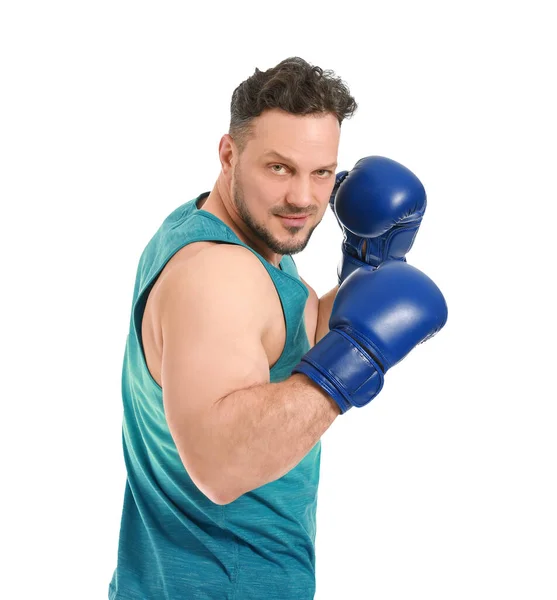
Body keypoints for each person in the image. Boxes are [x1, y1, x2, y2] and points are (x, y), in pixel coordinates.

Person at [108, 56, 447, 600]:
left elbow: (279, 344)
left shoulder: (232, 235)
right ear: (228, 155)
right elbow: (221, 466)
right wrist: (357, 360)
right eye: (280, 169)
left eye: (321, 173)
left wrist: (367, 271)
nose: (304, 199)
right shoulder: (218, 275)